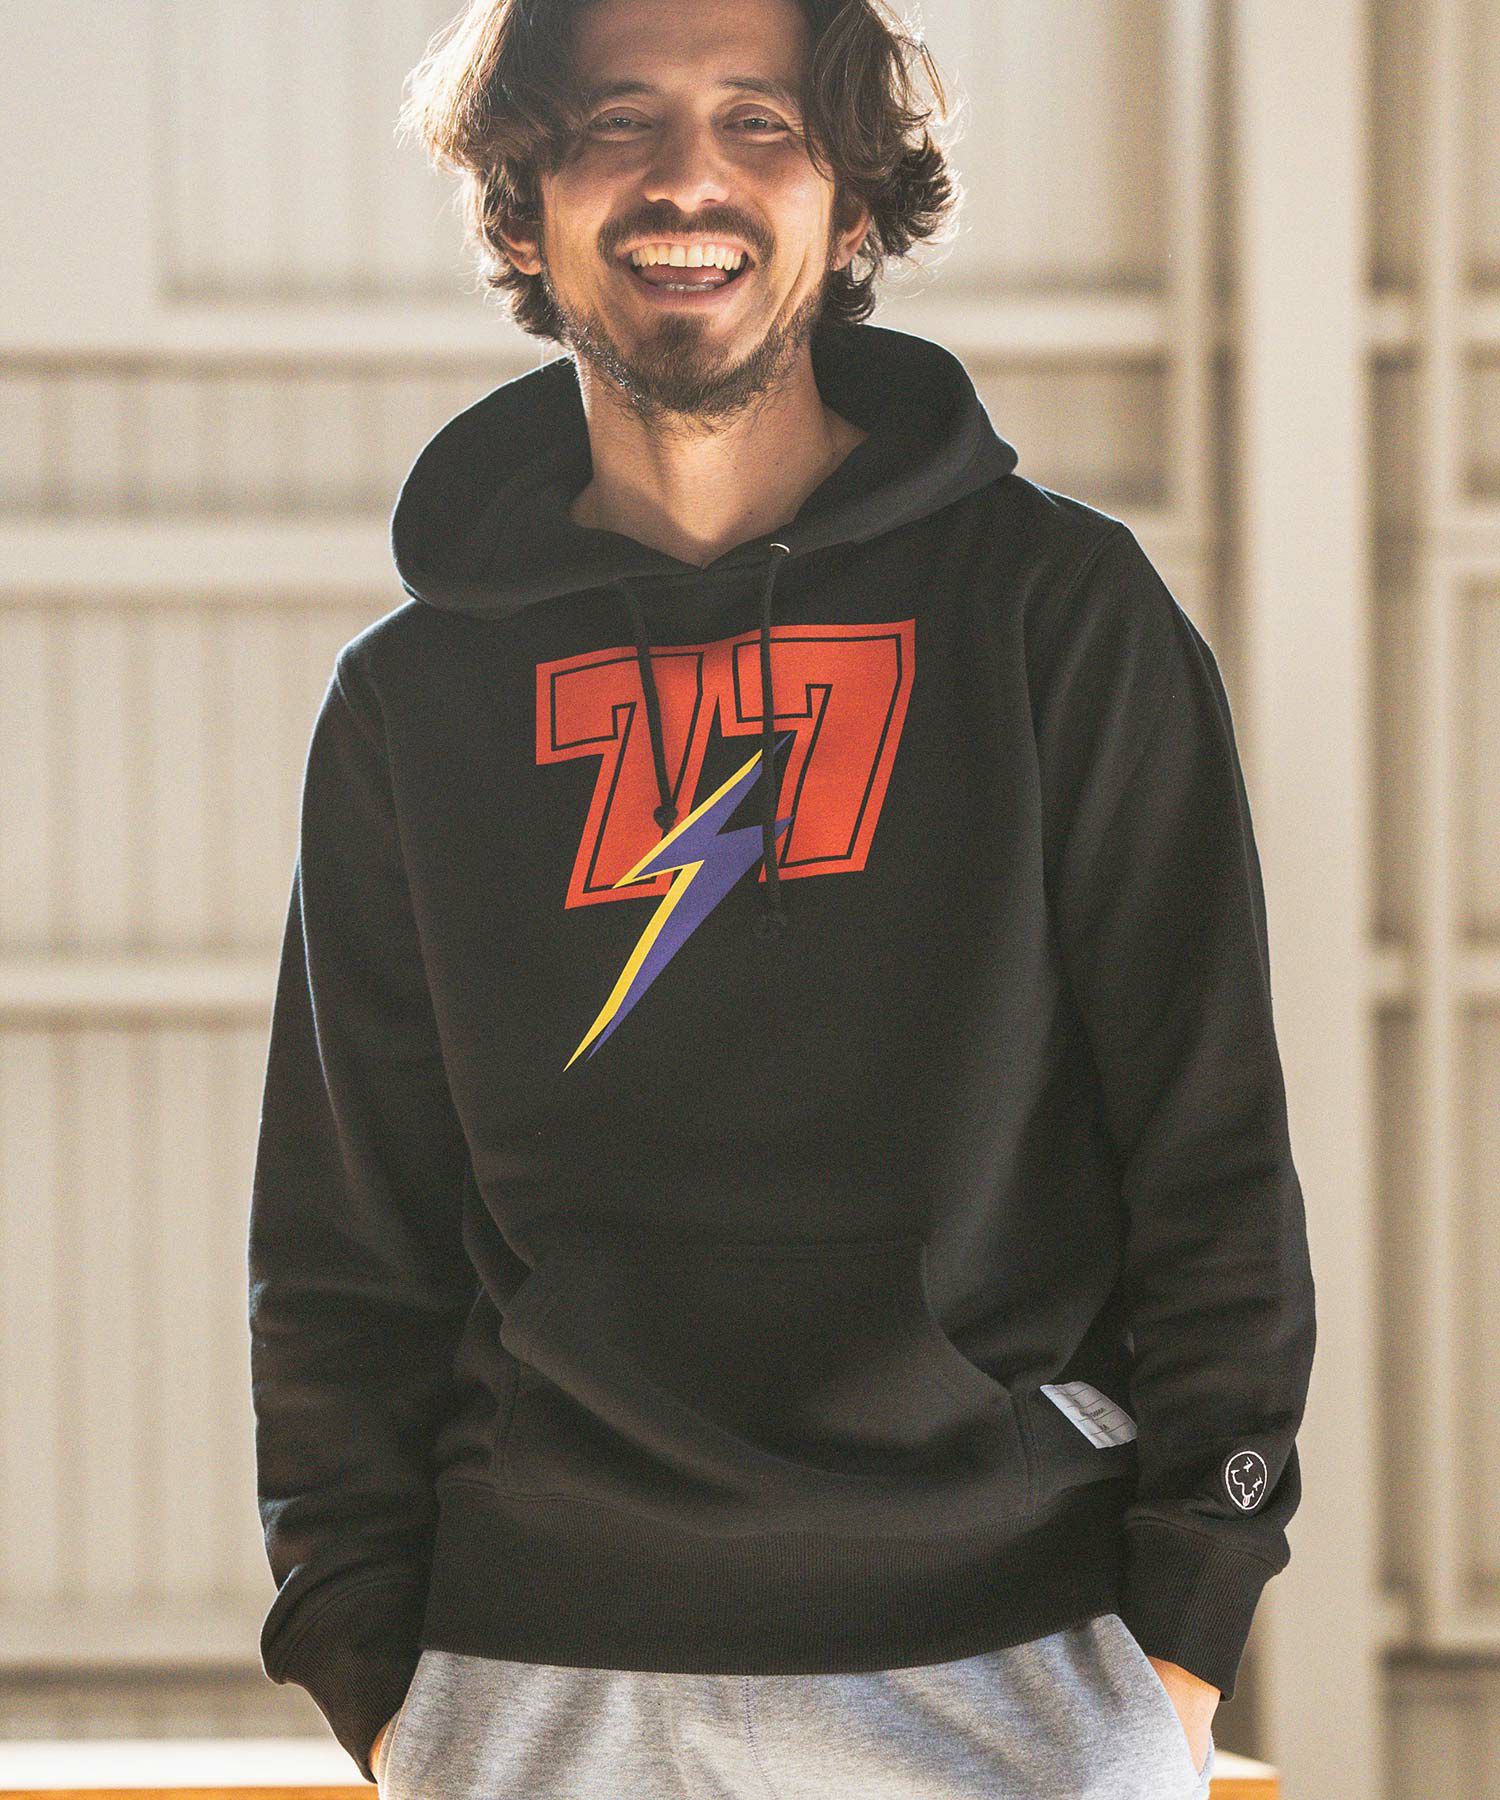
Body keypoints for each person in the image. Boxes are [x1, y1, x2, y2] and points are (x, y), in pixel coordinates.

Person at [246, 0, 1317, 1794]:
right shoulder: (411, 702)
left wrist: (1186, 1636)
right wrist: (373, 1662)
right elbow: (343, 1238)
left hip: (1014, 1670)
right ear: (522, 203)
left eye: (762, 123)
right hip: (540, 1680)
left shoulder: (1059, 619)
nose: (690, 179)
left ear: (855, 201)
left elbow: (1211, 1154)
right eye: (617, 121)